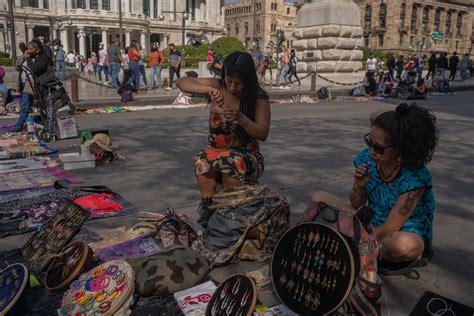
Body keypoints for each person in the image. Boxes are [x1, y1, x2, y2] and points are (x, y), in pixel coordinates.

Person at [312, 103, 439, 264]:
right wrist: (359, 186)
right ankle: (358, 247)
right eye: (369, 142)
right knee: (319, 197)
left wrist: (354, 235)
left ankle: (346, 245)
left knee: (402, 246)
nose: (372, 151)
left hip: (400, 231)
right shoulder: (366, 158)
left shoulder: (415, 177)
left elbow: (390, 227)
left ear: (401, 149)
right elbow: (356, 203)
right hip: (370, 222)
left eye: (379, 148)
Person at [175, 51, 271, 226]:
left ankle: (227, 210)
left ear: (248, 80)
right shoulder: (218, 86)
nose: (233, 87)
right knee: (203, 158)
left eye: (239, 83)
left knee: (230, 162)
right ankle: (208, 207)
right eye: (229, 80)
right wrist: (208, 90)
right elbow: (181, 82)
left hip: (247, 156)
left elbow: (262, 133)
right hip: (217, 152)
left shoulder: (258, 97)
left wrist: (241, 118)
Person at [14, 39, 50, 132]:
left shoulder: (43, 58)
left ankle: (47, 125)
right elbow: (20, 69)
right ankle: (19, 125)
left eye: (30, 49)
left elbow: (35, 69)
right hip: (27, 85)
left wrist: (28, 59)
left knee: (42, 106)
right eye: (27, 49)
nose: (28, 51)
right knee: (25, 106)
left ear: (37, 50)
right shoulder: (28, 57)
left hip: (38, 86)